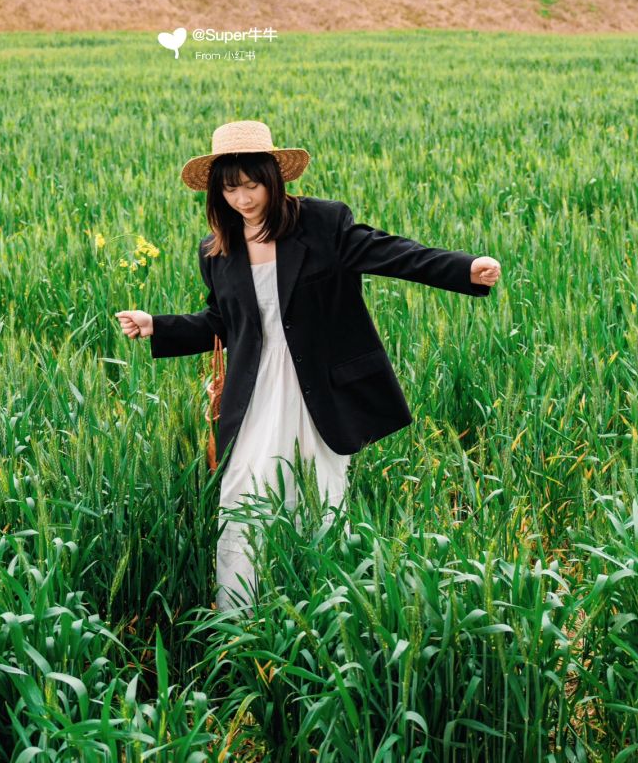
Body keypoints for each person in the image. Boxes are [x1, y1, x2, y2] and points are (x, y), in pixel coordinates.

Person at [115, 119, 501, 612]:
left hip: (317, 387)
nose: (243, 199)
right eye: (231, 189)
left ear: (274, 178)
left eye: (252, 185)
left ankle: (323, 608)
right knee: (241, 494)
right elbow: (223, 321)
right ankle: (240, 614)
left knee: (319, 496)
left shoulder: (323, 223)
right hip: (254, 392)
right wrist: (157, 325)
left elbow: (392, 253)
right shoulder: (216, 251)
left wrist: (464, 269)